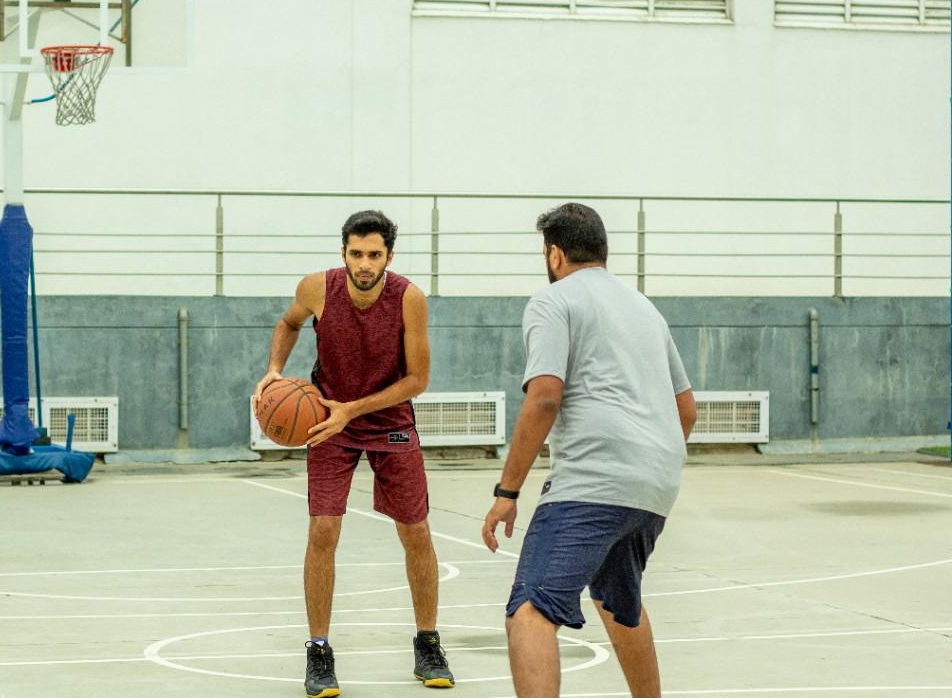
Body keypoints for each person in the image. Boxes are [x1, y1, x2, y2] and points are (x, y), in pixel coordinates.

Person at [481, 203, 696, 698]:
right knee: (619, 603)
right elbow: (686, 410)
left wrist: (507, 491)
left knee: (530, 609)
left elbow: (545, 397)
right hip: (656, 485)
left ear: (554, 254)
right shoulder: (644, 308)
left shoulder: (552, 301)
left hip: (592, 483)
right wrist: (647, 463)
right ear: (603, 251)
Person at [254, 209, 455, 697]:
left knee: (415, 531)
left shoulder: (408, 299)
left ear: (389, 256)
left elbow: (418, 380)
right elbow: (288, 323)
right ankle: (319, 650)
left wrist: (355, 409)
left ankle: (428, 643)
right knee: (322, 531)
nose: (365, 264)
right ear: (343, 252)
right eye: (357, 253)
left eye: (374, 255)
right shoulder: (317, 288)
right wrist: (275, 369)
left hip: (389, 423)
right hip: (329, 422)